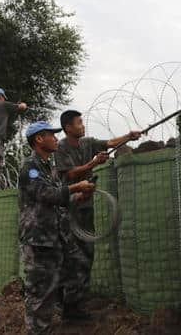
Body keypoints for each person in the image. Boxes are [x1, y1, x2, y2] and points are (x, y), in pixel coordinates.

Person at [19, 121, 96, 334]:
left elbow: (59, 199)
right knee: (40, 293)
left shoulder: (48, 166)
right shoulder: (31, 168)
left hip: (57, 236)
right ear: (38, 140)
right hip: (39, 241)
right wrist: (76, 186)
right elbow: (46, 194)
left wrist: (79, 196)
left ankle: (70, 311)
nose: (55, 138)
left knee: (74, 270)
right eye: (50, 135)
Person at [55, 110, 141, 297]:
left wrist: (128, 136)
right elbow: (69, 174)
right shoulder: (60, 148)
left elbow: (109, 143)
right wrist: (93, 164)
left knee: (87, 252)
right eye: (78, 123)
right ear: (68, 128)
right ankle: (64, 299)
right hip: (70, 208)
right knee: (71, 255)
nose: (82, 125)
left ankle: (80, 298)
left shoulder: (87, 142)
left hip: (86, 206)